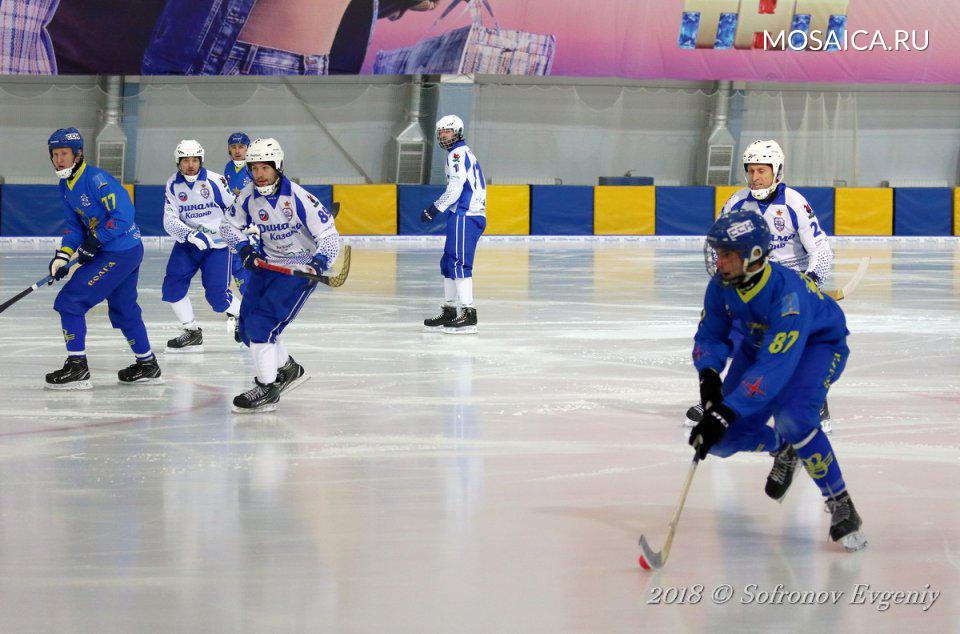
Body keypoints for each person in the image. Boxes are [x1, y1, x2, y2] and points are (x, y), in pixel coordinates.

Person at [688, 209, 865, 552]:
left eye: (727, 254)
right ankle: (783, 448)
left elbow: (774, 369)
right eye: (717, 254)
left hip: (816, 345)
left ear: (754, 256)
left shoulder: (788, 297)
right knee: (723, 441)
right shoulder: (721, 286)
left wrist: (726, 409)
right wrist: (709, 380)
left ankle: (840, 500)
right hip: (761, 347)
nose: (719, 262)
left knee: (794, 417)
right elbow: (710, 336)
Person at [685, 139, 836, 432]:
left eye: (762, 171)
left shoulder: (794, 203)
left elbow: (821, 249)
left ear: (776, 171)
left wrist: (812, 281)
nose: (755, 177)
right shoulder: (737, 202)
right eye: (751, 170)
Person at [220, 138, 341, 413]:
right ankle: (288, 368)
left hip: (298, 270)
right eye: (255, 168)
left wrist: (319, 261)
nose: (259, 174)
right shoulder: (247, 196)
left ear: (278, 166)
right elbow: (228, 226)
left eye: (265, 167)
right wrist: (243, 249)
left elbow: (329, 236)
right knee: (246, 328)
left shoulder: (299, 197)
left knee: (262, 327)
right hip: (266, 266)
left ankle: (267, 387)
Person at [44, 127, 161, 388]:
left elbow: (123, 215)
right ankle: (147, 364)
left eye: (64, 153)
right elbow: (75, 227)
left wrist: (95, 241)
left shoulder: (97, 179)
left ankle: (77, 368)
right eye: (55, 154)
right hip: (120, 251)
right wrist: (62, 257)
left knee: (70, 301)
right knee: (124, 309)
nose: (59, 159)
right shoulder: (66, 186)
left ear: (78, 154)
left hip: (120, 251)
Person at [162, 139, 241, 352]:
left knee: (217, 298)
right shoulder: (172, 184)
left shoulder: (216, 181)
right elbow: (169, 220)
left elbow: (236, 208)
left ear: (201, 161)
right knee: (172, 288)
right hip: (188, 245)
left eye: (195, 160)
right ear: (178, 162)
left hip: (217, 246)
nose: (190, 165)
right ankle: (191, 331)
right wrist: (189, 235)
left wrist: (241, 230)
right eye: (186, 160)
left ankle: (243, 316)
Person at [421, 114, 486, 334]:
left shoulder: (457, 154)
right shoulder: (458, 153)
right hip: (462, 214)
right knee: (448, 263)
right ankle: (450, 309)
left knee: (459, 263)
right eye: (441, 132)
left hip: (466, 214)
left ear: (457, 132)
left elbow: (456, 188)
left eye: (447, 131)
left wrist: (434, 208)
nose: (443, 136)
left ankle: (469, 313)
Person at [223, 131, 254, 292]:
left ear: (248, 148)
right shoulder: (228, 168)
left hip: (254, 222)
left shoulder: (254, 167)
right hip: (236, 221)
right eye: (233, 147)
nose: (237, 150)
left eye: (241, 147)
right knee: (236, 263)